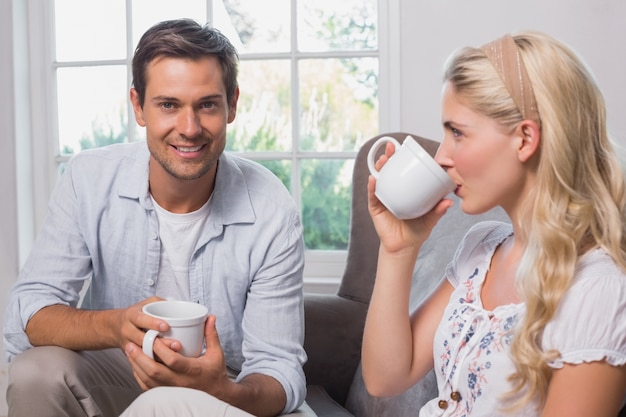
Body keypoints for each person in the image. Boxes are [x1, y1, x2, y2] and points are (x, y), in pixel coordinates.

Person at [4, 18, 314, 417]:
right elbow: (31, 310)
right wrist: (116, 325)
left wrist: (221, 390)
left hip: (230, 388)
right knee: (35, 372)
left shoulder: (272, 208)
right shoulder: (89, 178)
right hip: (127, 372)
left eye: (207, 105)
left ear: (232, 104)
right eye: (169, 105)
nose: (189, 128)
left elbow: (279, 371)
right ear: (139, 106)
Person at [362, 31, 626, 416]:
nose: (441, 156)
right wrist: (398, 249)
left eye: (457, 132)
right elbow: (385, 377)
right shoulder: (482, 248)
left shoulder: (597, 292)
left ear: (524, 139)